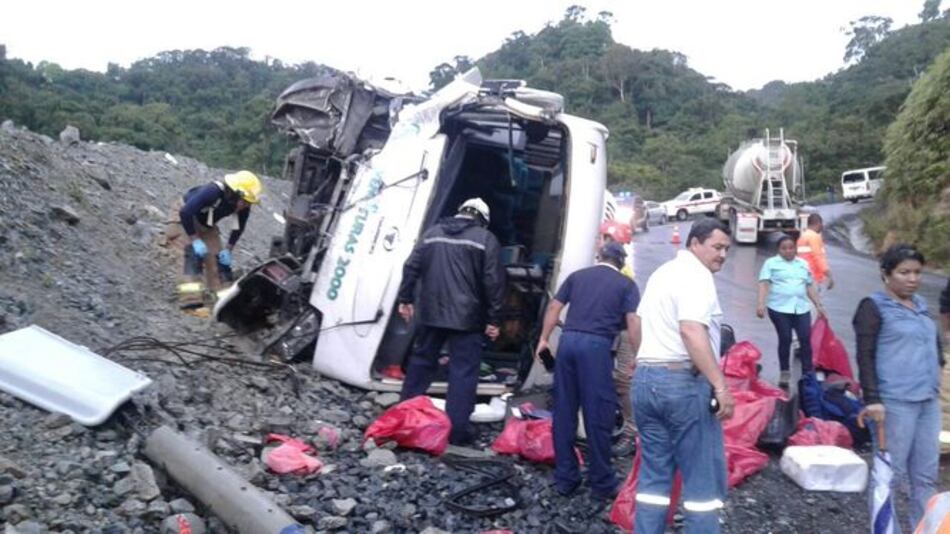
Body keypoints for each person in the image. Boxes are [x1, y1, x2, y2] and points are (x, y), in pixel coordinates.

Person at [633, 218, 735, 534]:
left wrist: (650, 360)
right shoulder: (697, 276)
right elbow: (691, 330)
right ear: (694, 244)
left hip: (646, 381)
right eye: (717, 247)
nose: (722, 255)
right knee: (701, 487)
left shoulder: (662, 274)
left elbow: (636, 325)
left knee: (653, 478)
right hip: (681, 384)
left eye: (727, 249)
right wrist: (720, 385)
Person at [535, 241, 640, 500]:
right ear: (621, 263)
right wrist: (639, 355)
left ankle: (566, 479)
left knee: (564, 411)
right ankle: (602, 483)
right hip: (597, 347)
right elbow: (633, 321)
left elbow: (554, 308)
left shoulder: (577, 277)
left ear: (599, 257)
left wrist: (544, 339)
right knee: (598, 414)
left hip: (569, 343)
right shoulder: (627, 285)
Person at [397, 198, 505, 446]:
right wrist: (494, 319)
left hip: (431, 313)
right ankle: (457, 433)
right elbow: (494, 283)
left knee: (420, 365)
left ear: (460, 212)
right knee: (463, 373)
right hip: (468, 319)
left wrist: (406, 299)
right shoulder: (485, 239)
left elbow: (411, 266)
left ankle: (404, 419)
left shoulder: (433, 233)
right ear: (482, 219)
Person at [854, 244, 943, 530]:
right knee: (891, 476)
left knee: (926, 476)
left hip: (928, 402)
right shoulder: (873, 306)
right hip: (894, 404)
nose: (913, 279)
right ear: (885, 274)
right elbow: (864, 355)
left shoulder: (920, 306)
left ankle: (923, 527)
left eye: (917, 272)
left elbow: (936, 345)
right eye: (904, 272)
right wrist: (872, 399)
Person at [168, 170, 262, 308]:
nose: (247, 206)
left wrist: (229, 249)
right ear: (235, 194)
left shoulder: (243, 206)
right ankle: (191, 302)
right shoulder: (212, 192)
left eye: (249, 203)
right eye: (245, 202)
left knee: (219, 263)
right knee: (191, 257)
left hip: (207, 223)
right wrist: (195, 240)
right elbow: (185, 212)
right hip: (185, 218)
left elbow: (238, 227)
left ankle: (225, 300)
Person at [756, 234, 826, 389]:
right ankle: (785, 372)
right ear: (778, 250)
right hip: (779, 308)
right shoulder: (771, 264)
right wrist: (760, 303)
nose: (788, 251)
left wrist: (818, 305)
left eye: (791, 248)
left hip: (801, 308)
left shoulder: (802, 264)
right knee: (785, 338)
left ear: (795, 248)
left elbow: (809, 286)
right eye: (784, 248)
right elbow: (764, 284)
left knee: (805, 339)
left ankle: (808, 373)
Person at [598, 221, 638, 456]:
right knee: (613, 380)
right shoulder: (612, 268)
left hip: (620, 332)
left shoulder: (623, 273)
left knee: (623, 381)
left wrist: (637, 350)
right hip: (611, 331)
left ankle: (630, 433)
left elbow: (631, 316)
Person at [797, 213, 834, 291]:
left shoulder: (802, 237)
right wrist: (829, 275)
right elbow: (818, 257)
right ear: (818, 223)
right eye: (822, 224)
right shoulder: (814, 237)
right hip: (813, 277)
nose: (822, 226)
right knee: (816, 301)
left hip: (802, 276)